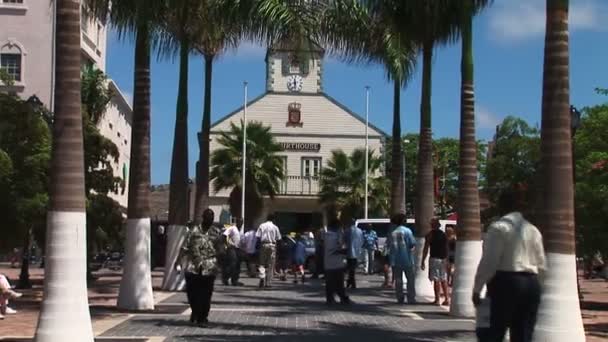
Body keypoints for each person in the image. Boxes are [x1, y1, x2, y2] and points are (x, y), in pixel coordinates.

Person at [472, 191, 546, 342]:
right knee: (523, 334)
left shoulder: (498, 228)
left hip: (506, 282)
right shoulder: (533, 229)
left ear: (502, 206)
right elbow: (542, 265)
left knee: (494, 331)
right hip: (531, 283)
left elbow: (490, 262)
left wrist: (477, 288)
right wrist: (539, 288)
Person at [175, 209, 221, 326]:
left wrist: (221, 260)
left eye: (211, 217)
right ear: (203, 217)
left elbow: (221, 249)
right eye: (207, 217)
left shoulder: (216, 232)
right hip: (193, 267)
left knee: (206, 294)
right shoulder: (193, 231)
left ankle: (202, 317)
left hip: (209, 267)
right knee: (192, 293)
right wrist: (178, 261)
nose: (210, 220)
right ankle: (195, 311)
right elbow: (185, 247)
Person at [387, 213, 416, 304]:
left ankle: (400, 297)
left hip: (395, 260)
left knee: (398, 280)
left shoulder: (392, 233)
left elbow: (389, 247)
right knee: (410, 280)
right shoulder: (408, 231)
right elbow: (412, 244)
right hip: (407, 259)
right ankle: (411, 298)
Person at [421, 218, 450, 306]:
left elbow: (426, 248)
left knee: (436, 279)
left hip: (435, 259)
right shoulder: (444, 234)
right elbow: (447, 248)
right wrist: (447, 259)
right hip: (443, 259)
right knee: (444, 279)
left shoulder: (430, 235)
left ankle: (437, 299)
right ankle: (446, 299)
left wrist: (423, 260)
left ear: (432, 225)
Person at [324, 218, 350, 305]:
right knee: (339, 282)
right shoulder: (337, 236)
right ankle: (343, 298)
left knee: (329, 283)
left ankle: (330, 299)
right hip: (337, 263)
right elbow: (341, 248)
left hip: (327, 263)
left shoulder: (326, 235)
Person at [256, 214, 282, 288]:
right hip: (272, 246)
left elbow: (257, 237)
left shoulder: (262, 225)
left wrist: (258, 247)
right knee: (271, 265)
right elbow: (279, 239)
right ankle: (268, 282)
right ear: (273, 220)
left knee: (262, 263)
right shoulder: (275, 227)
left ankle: (262, 277)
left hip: (263, 245)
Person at [222, 218, 244, 286]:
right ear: (237, 222)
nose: (241, 223)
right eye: (239, 222)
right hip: (231, 248)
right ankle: (225, 278)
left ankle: (235, 280)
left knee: (238, 265)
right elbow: (224, 235)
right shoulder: (232, 228)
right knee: (232, 264)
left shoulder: (240, 230)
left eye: (242, 222)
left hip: (238, 249)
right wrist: (227, 244)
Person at [344, 219, 363, 289]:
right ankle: (351, 281)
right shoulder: (360, 231)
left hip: (349, 252)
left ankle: (351, 282)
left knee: (350, 268)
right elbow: (362, 241)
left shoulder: (347, 231)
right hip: (357, 253)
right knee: (353, 268)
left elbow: (344, 241)